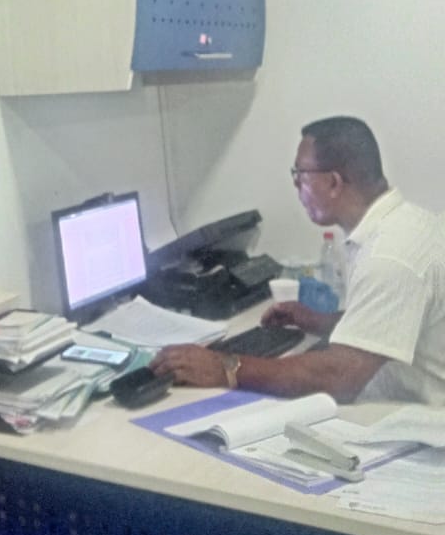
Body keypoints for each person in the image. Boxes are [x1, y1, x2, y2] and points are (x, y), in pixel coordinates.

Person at [151, 116, 445, 404]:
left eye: (300, 175)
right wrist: (321, 321)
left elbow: (338, 377)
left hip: (419, 424)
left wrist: (224, 367)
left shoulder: (389, 258)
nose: (295, 185)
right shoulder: (407, 225)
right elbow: (389, 320)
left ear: (333, 182)